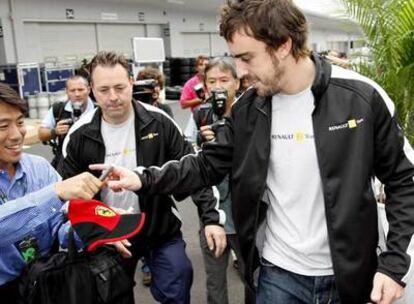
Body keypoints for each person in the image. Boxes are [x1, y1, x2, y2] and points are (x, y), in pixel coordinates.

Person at [90, 1, 414, 303]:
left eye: (247, 58)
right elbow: (206, 164)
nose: (240, 71)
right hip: (276, 275)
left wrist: (394, 264)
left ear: (284, 44)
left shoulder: (360, 98)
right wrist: (143, 178)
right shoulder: (250, 107)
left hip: (350, 276)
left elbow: (404, 180)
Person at [59, 51, 226, 304]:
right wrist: (95, 231)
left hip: (159, 227)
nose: (113, 97)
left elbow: (194, 170)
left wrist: (211, 218)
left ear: (131, 83)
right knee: (113, 295)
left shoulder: (159, 121)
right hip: (109, 235)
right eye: (104, 90)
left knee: (178, 279)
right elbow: (67, 196)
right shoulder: (79, 135)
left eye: (119, 87)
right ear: (92, 89)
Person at [0, 83, 103, 303]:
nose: (16, 134)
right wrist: (55, 193)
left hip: (44, 282)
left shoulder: (39, 167)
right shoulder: (53, 190)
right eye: (3, 126)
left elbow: (61, 224)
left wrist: (93, 227)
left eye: (19, 123)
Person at [191, 57, 254, 304]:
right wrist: (202, 143)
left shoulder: (251, 113)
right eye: (212, 81)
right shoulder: (200, 116)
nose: (218, 86)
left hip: (245, 214)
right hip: (211, 214)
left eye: (225, 80)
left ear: (237, 83)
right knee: (214, 281)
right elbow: (191, 164)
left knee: (253, 277)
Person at [38, 75, 95, 168]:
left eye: (81, 90)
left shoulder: (99, 111)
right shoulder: (58, 109)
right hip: (65, 163)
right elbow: (41, 134)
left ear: (88, 90)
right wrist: (55, 131)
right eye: (72, 90)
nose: (77, 94)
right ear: (67, 92)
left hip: (92, 163)